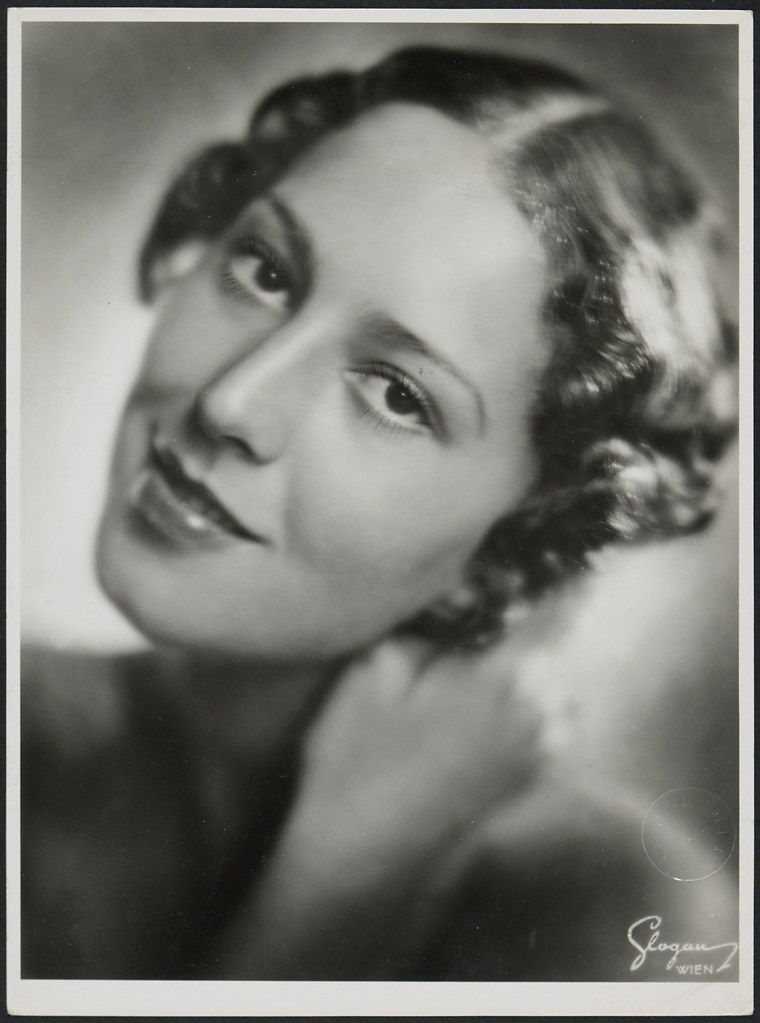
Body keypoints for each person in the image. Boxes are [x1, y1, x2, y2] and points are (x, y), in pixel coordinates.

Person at [21, 45, 738, 981]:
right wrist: (340, 886)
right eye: (265, 271)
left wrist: (349, 876)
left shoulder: (613, 909)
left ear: (526, 530)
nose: (231, 403)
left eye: (398, 394)